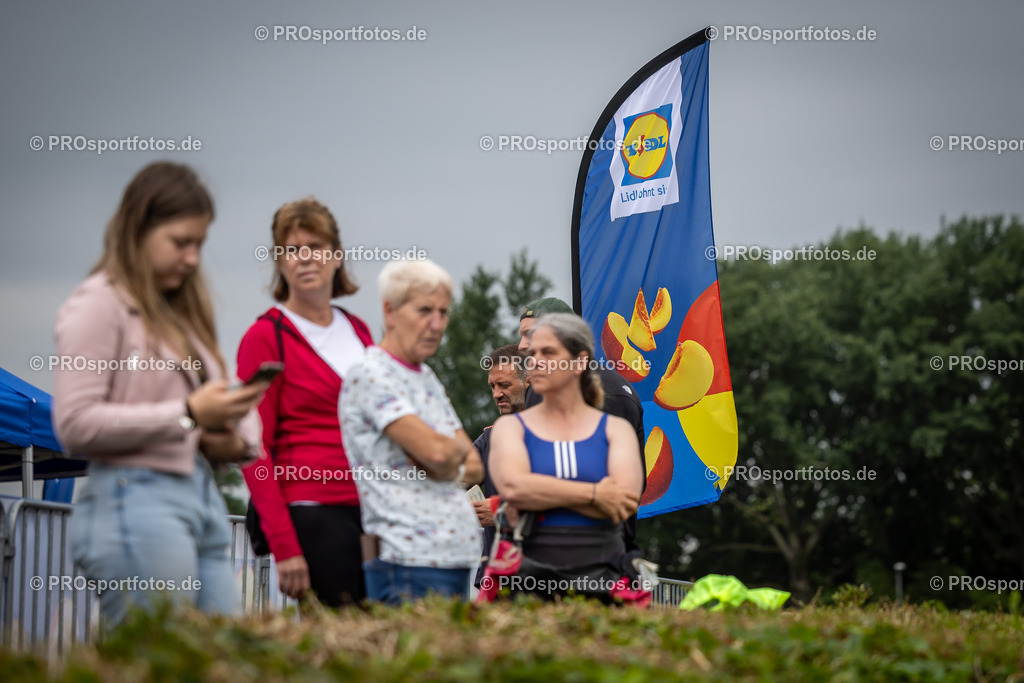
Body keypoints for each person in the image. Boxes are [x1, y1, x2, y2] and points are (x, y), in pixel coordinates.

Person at [54, 162, 268, 627]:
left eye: (200, 244)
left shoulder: (185, 314)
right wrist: (189, 416)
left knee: (220, 657)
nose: (193, 258)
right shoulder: (99, 304)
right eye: (180, 242)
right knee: (163, 664)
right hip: (135, 498)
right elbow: (73, 423)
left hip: (202, 499)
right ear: (139, 229)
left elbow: (227, 394)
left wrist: (236, 437)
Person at [239, 198, 373, 607]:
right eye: (291, 249)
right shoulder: (265, 337)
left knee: (386, 645)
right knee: (343, 646)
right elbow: (252, 450)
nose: (304, 258)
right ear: (279, 263)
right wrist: (285, 546)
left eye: (315, 246)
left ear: (336, 256)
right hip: (312, 510)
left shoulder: (360, 330)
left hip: (374, 512)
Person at [340, 258, 483, 605]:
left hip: (454, 556)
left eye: (444, 312)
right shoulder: (372, 372)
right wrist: (441, 455)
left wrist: (435, 458)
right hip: (405, 559)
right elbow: (439, 452)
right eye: (424, 311)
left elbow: (475, 465)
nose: (437, 324)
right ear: (390, 312)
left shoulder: (426, 377)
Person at [488, 313, 643, 600]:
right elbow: (514, 489)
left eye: (548, 352)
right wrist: (596, 494)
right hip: (529, 584)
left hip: (603, 581)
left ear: (579, 362)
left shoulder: (615, 429)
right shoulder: (510, 429)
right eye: (532, 353)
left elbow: (624, 502)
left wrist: (540, 495)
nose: (534, 361)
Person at [517, 298, 647, 550]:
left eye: (530, 335)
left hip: (595, 552)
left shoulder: (609, 394)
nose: (522, 345)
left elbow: (620, 490)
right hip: (542, 549)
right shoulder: (541, 390)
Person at [472, 344, 529, 585]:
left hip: (542, 572)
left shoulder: (559, 435)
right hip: (495, 577)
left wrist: (501, 509)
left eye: (504, 385)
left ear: (530, 381)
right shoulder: (489, 438)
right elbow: (452, 477)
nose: (496, 394)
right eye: (493, 387)